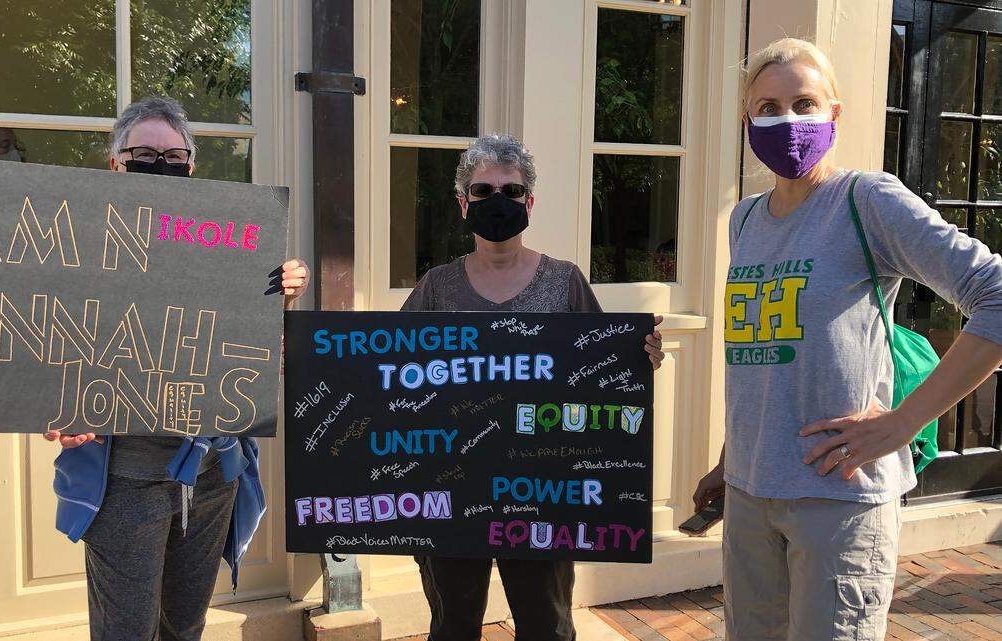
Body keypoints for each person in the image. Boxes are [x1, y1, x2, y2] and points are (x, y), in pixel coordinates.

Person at [692, 39, 1002, 640]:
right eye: (769, 107)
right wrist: (732, 460)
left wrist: (902, 423)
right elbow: (764, 349)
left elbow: (994, 294)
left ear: (834, 113)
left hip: (840, 500)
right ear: (747, 121)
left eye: (805, 103)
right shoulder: (745, 219)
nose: (788, 120)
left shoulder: (866, 201)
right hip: (750, 496)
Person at [44, 96, 311, 641]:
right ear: (116, 164)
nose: (159, 165)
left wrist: (279, 297)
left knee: (185, 625)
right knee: (126, 630)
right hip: (124, 479)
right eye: (143, 154)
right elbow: (40, 341)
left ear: (190, 168)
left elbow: (251, 349)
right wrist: (55, 406)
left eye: (173, 156)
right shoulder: (78, 244)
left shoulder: (227, 240)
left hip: (211, 473)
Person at [402, 133, 665, 641]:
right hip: (452, 486)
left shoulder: (565, 281)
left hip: (543, 488)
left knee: (546, 624)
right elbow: (388, 375)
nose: (497, 201)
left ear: (530, 201)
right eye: (483, 191)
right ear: (463, 203)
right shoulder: (436, 286)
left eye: (512, 190)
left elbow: (602, 375)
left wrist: (639, 359)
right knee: (453, 625)